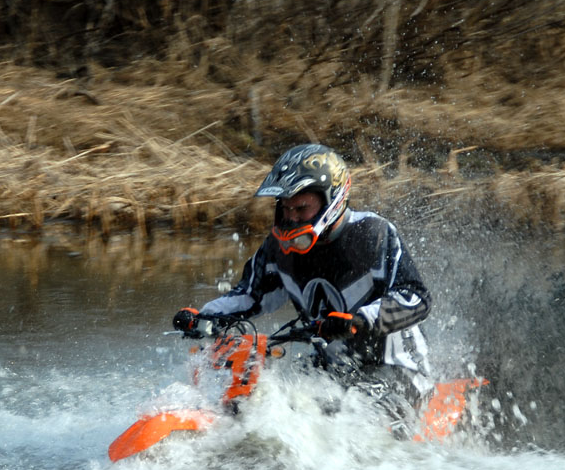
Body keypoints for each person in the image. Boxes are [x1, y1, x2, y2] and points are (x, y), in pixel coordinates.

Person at [173, 143, 433, 402]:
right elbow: (249, 296)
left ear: (331, 199)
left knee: (337, 414)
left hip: (397, 373)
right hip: (331, 370)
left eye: (301, 209)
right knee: (267, 403)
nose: (292, 218)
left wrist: (359, 319)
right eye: (286, 209)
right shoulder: (278, 249)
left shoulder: (373, 234)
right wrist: (204, 317)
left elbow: (416, 297)